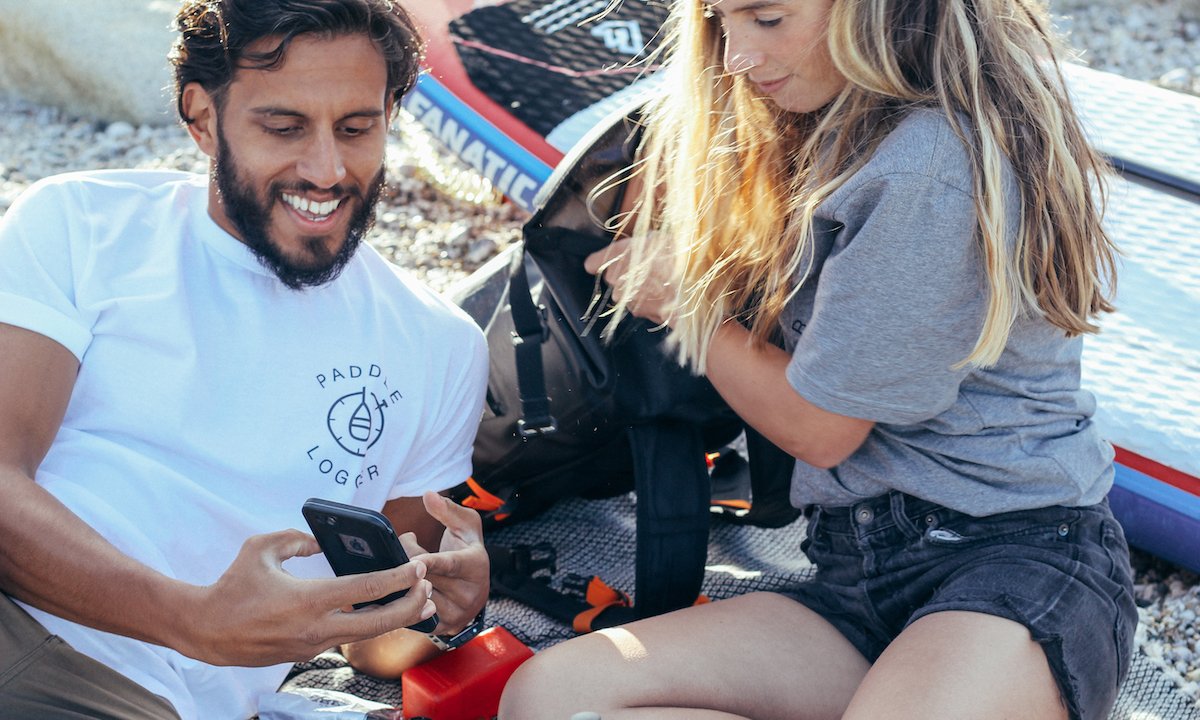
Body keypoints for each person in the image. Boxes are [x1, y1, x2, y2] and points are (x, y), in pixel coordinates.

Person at [499, 0, 1137, 719]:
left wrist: (689, 307)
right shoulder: (832, 120)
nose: (736, 56)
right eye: (719, 21)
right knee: (552, 697)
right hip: (856, 574)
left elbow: (820, 428)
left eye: (768, 19)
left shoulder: (926, 166)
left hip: (1011, 561)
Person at [0, 1, 490, 718]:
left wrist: (444, 611)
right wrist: (192, 619)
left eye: (357, 128)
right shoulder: (82, 225)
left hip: (148, 703)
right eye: (284, 127)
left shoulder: (440, 344)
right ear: (202, 117)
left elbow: (373, 644)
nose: (326, 169)